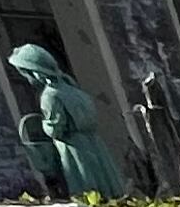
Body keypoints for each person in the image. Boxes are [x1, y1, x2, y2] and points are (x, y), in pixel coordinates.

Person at [7, 44, 123, 198]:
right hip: (95, 146)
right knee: (106, 187)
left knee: (86, 190)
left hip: (74, 150)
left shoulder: (50, 96)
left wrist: (42, 125)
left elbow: (55, 129)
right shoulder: (74, 91)